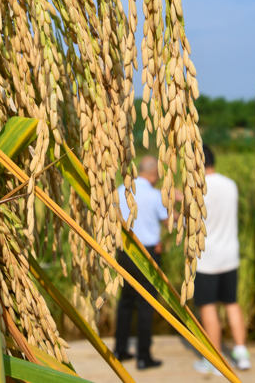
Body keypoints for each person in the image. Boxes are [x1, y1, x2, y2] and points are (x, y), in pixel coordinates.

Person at [192, 145, 251, 374]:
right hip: (230, 256)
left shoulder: (198, 189)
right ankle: (241, 351)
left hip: (207, 258)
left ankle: (214, 359)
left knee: (208, 307)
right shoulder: (230, 185)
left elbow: (191, 224)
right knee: (231, 303)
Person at [113, 156, 167, 370]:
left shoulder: (121, 190)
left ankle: (120, 349)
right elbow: (167, 219)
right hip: (148, 254)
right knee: (146, 305)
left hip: (125, 252)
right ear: (153, 174)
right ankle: (143, 357)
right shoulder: (155, 195)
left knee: (125, 302)